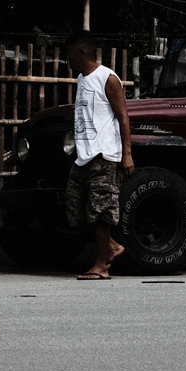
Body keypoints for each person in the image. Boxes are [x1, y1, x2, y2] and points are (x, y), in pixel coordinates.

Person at [64, 32, 134, 280]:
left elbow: (123, 116)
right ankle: (112, 247)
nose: (67, 60)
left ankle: (101, 266)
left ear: (81, 52)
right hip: (84, 155)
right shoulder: (82, 79)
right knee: (75, 209)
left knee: (101, 210)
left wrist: (127, 154)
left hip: (105, 153)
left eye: (69, 54)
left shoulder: (107, 78)